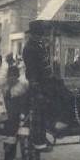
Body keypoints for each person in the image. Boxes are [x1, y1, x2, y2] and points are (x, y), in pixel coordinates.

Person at [22, 21, 54, 152]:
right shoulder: (29, 48)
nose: (40, 37)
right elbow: (32, 69)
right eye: (37, 35)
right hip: (36, 83)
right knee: (39, 110)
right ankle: (38, 140)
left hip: (45, 82)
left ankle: (48, 132)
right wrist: (35, 86)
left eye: (41, 34)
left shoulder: (40, 45)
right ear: (32, 35)